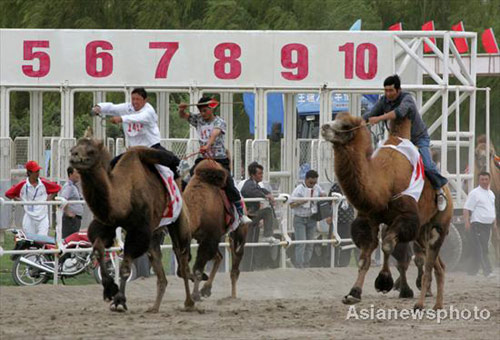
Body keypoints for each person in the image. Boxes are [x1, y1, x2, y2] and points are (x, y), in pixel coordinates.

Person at [362, 74, 448, 211]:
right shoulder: (383, 101)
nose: (388, 94)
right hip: (397, 141)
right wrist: (358, 122)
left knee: (427, 165)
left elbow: (399, 113)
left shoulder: (407, 99)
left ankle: (439, 189)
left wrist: (379, 118)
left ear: (398, 90)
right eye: (386, 90)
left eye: (391, 90)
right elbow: (371, 114)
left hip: (417, 139)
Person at [178, 96, 251, 224]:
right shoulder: (198, 119)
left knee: (229, 184)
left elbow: (214, 134)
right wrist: (181, 109)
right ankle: (178, 209)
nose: (202, 113)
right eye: (200, 111)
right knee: (185, 182)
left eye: (205, 110)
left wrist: (207, 145)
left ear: (211, 108)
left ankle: (240, 213)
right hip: (202, 158)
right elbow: (183, 115)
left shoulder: (219, 122)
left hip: (220, 159)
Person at [92, 87, 180, 176]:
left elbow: (139, 118)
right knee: (112, 165)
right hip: (133, 150)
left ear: (145, 100)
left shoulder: (149, 111)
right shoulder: (127, 107)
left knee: (173, 161)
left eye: (138, 99)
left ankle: (179, 184)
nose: (134, 102)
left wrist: (121, 118)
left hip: (151, 147)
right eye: (133, 99)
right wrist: (99, 107)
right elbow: (112, 108)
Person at [5, 161, 61, 236]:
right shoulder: (23, 184)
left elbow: (57, 188)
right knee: (30, 241)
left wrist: (49, 198)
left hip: (43, 217)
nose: (38, 173)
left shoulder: (44, 183)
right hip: (29, 217)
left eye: (38, 171)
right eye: (36, 171)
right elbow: (8, 194)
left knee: (42, 240)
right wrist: (21, 201)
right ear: (29, 173)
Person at [463, 172, 497, 278]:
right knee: (482, 248)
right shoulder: (475, 193)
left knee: (480, 247)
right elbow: (466, 208)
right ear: (479, 180)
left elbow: (492, 208)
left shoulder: (491, 194)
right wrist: (467, 222)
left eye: (486, 179)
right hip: (477, 224)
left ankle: (472, 271)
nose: (484, 182)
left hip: (488, 225)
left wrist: (494, 223)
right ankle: (488, 271)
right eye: (482, 179)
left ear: (489, 180)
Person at [290, 170, 325, 268]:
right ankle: (299, 264)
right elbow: (291, 205)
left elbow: (323, 193)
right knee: (301, 243)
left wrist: (322, 195)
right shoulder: (299, 189)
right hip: (300, 218)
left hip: (312, 218)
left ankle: (306, 263)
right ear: (305, 179)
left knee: (310, 243)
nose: (312, 185)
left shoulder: (317, 187)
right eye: (310, 183)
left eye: (314, 183)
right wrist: (302, 201)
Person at [241, 161, 280, 244]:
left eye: (262, 173)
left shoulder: (255, 184)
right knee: (267, 211)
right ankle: (268, 235)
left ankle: (271, 229)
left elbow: (260, 190)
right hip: (248, 216)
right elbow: (248, 190)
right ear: (252, 175)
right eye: (259, 173)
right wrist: (265, 196)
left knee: (252, 243)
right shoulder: (249, 184)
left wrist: (268, 194)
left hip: (252, 215)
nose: (261, 175)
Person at [60, 166, 84, 238]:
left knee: (74, 239)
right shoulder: (69, 186)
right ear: (70, 174)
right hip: (70, 221)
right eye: (76, 173)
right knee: (69, 239)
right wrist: (68, 213)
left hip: (75, 220)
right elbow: (62, 199)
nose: (78, 175)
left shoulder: (74, 186)